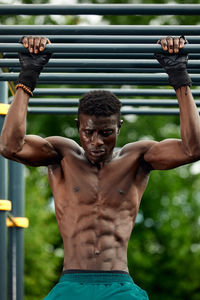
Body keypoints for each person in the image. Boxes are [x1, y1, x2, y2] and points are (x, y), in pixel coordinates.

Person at [0, 36, 200, 300]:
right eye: (89, 132)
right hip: (71, 282)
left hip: (119, 285)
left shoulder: (137, 158)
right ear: (78, 127)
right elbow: (10, 147)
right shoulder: (62, 155)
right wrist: (28, 76)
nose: (96, 142)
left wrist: (179, 75)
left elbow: (193, 149)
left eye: (106, 133)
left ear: (119, 129)